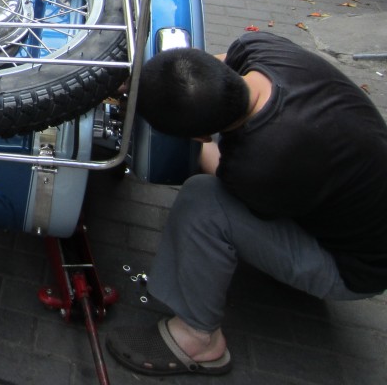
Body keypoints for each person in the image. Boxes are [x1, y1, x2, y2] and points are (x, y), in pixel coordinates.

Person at [106, 32, 387, 376]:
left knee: (202, 203)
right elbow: (207, 72)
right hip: (353, 188)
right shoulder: (265, 50)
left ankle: (198, 340)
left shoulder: (263, 165)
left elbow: (217, 167)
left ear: (199, 138)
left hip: (355, 268)